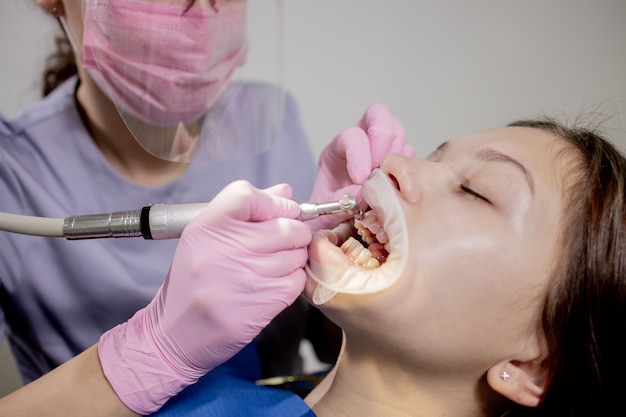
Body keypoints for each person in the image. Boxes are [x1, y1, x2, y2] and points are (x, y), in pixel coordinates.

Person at [0, 0, 412, 409]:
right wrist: (145, 358)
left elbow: (349, 352)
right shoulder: (13, 177)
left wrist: (341, 266)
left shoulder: (273, 122)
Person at [141, 115, 624, 416]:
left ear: (532, 368)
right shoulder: (230, 378)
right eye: (436, 154)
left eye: (475, 191)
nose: (395, 163)